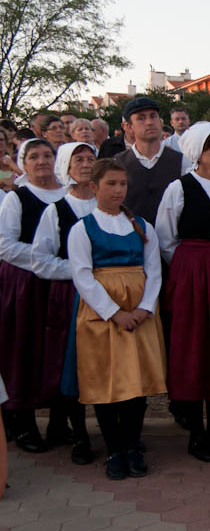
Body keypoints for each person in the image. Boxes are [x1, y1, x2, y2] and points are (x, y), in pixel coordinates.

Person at [68, 159, 166, 480]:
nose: (118, 190)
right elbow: (82, 276)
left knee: (136, 384)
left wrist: (143, 309)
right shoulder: (82, 228)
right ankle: (114, 449)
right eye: (110, 184)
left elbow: (153, 271)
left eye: (122, 184)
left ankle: (132, 444)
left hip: (139, 314)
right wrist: (115, 313)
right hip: (102, 315)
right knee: (106, 382)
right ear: (94, 187)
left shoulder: (141, 225)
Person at [155, 122, 210, 463]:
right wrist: (190, 265)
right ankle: (196, 432)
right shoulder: (180, 188)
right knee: (194, 347)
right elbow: (165, 237)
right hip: (192, 274)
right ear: (196, 153)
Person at [31, 142, 98, 465]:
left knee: (102, 363)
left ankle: (111, 431)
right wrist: (80, 271)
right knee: (73, 365)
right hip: (71, 296)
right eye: (78, 159)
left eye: (90, 158)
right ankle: (79, 434)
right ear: (66, 168)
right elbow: (40, 260)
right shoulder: (55, 210)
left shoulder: (108, 205)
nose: (86, 164)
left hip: (105, 296)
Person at [0, 139, 66, 453]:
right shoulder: (18, 199)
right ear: (22, 163)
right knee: (24, 351)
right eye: (33, 156)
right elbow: (6, 246)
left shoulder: (69, 194)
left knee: (59, 353)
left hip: (62, 285)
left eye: (47, 155)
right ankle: (24, 425)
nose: (41, 161)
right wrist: (45, 258)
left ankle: (59, 423)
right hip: (26, 285)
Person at [114, 98, 191, 224]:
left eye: (153, 116)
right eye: (141, 118)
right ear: (128, 127)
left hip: (172, 240)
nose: (149, 122)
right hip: (131, 238)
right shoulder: (117, 163)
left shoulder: (182, 161)